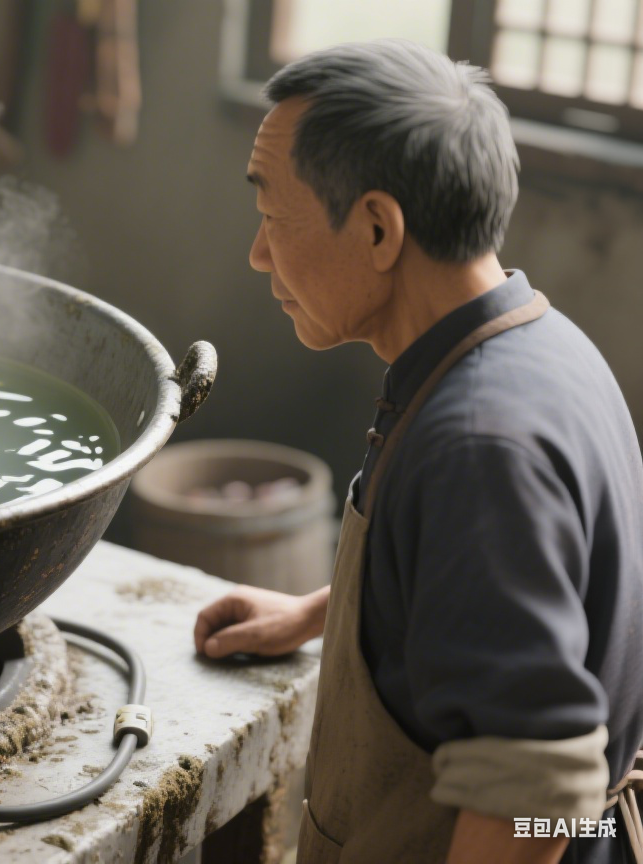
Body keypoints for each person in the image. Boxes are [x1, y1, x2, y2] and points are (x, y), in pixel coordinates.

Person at [192, 39, 643, 863]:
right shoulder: (540, 341)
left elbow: (537, 789)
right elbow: (490, 585)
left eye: (273, 218)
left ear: (377, 228)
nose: (258, 254)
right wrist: (326, 615)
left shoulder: (481, 447)